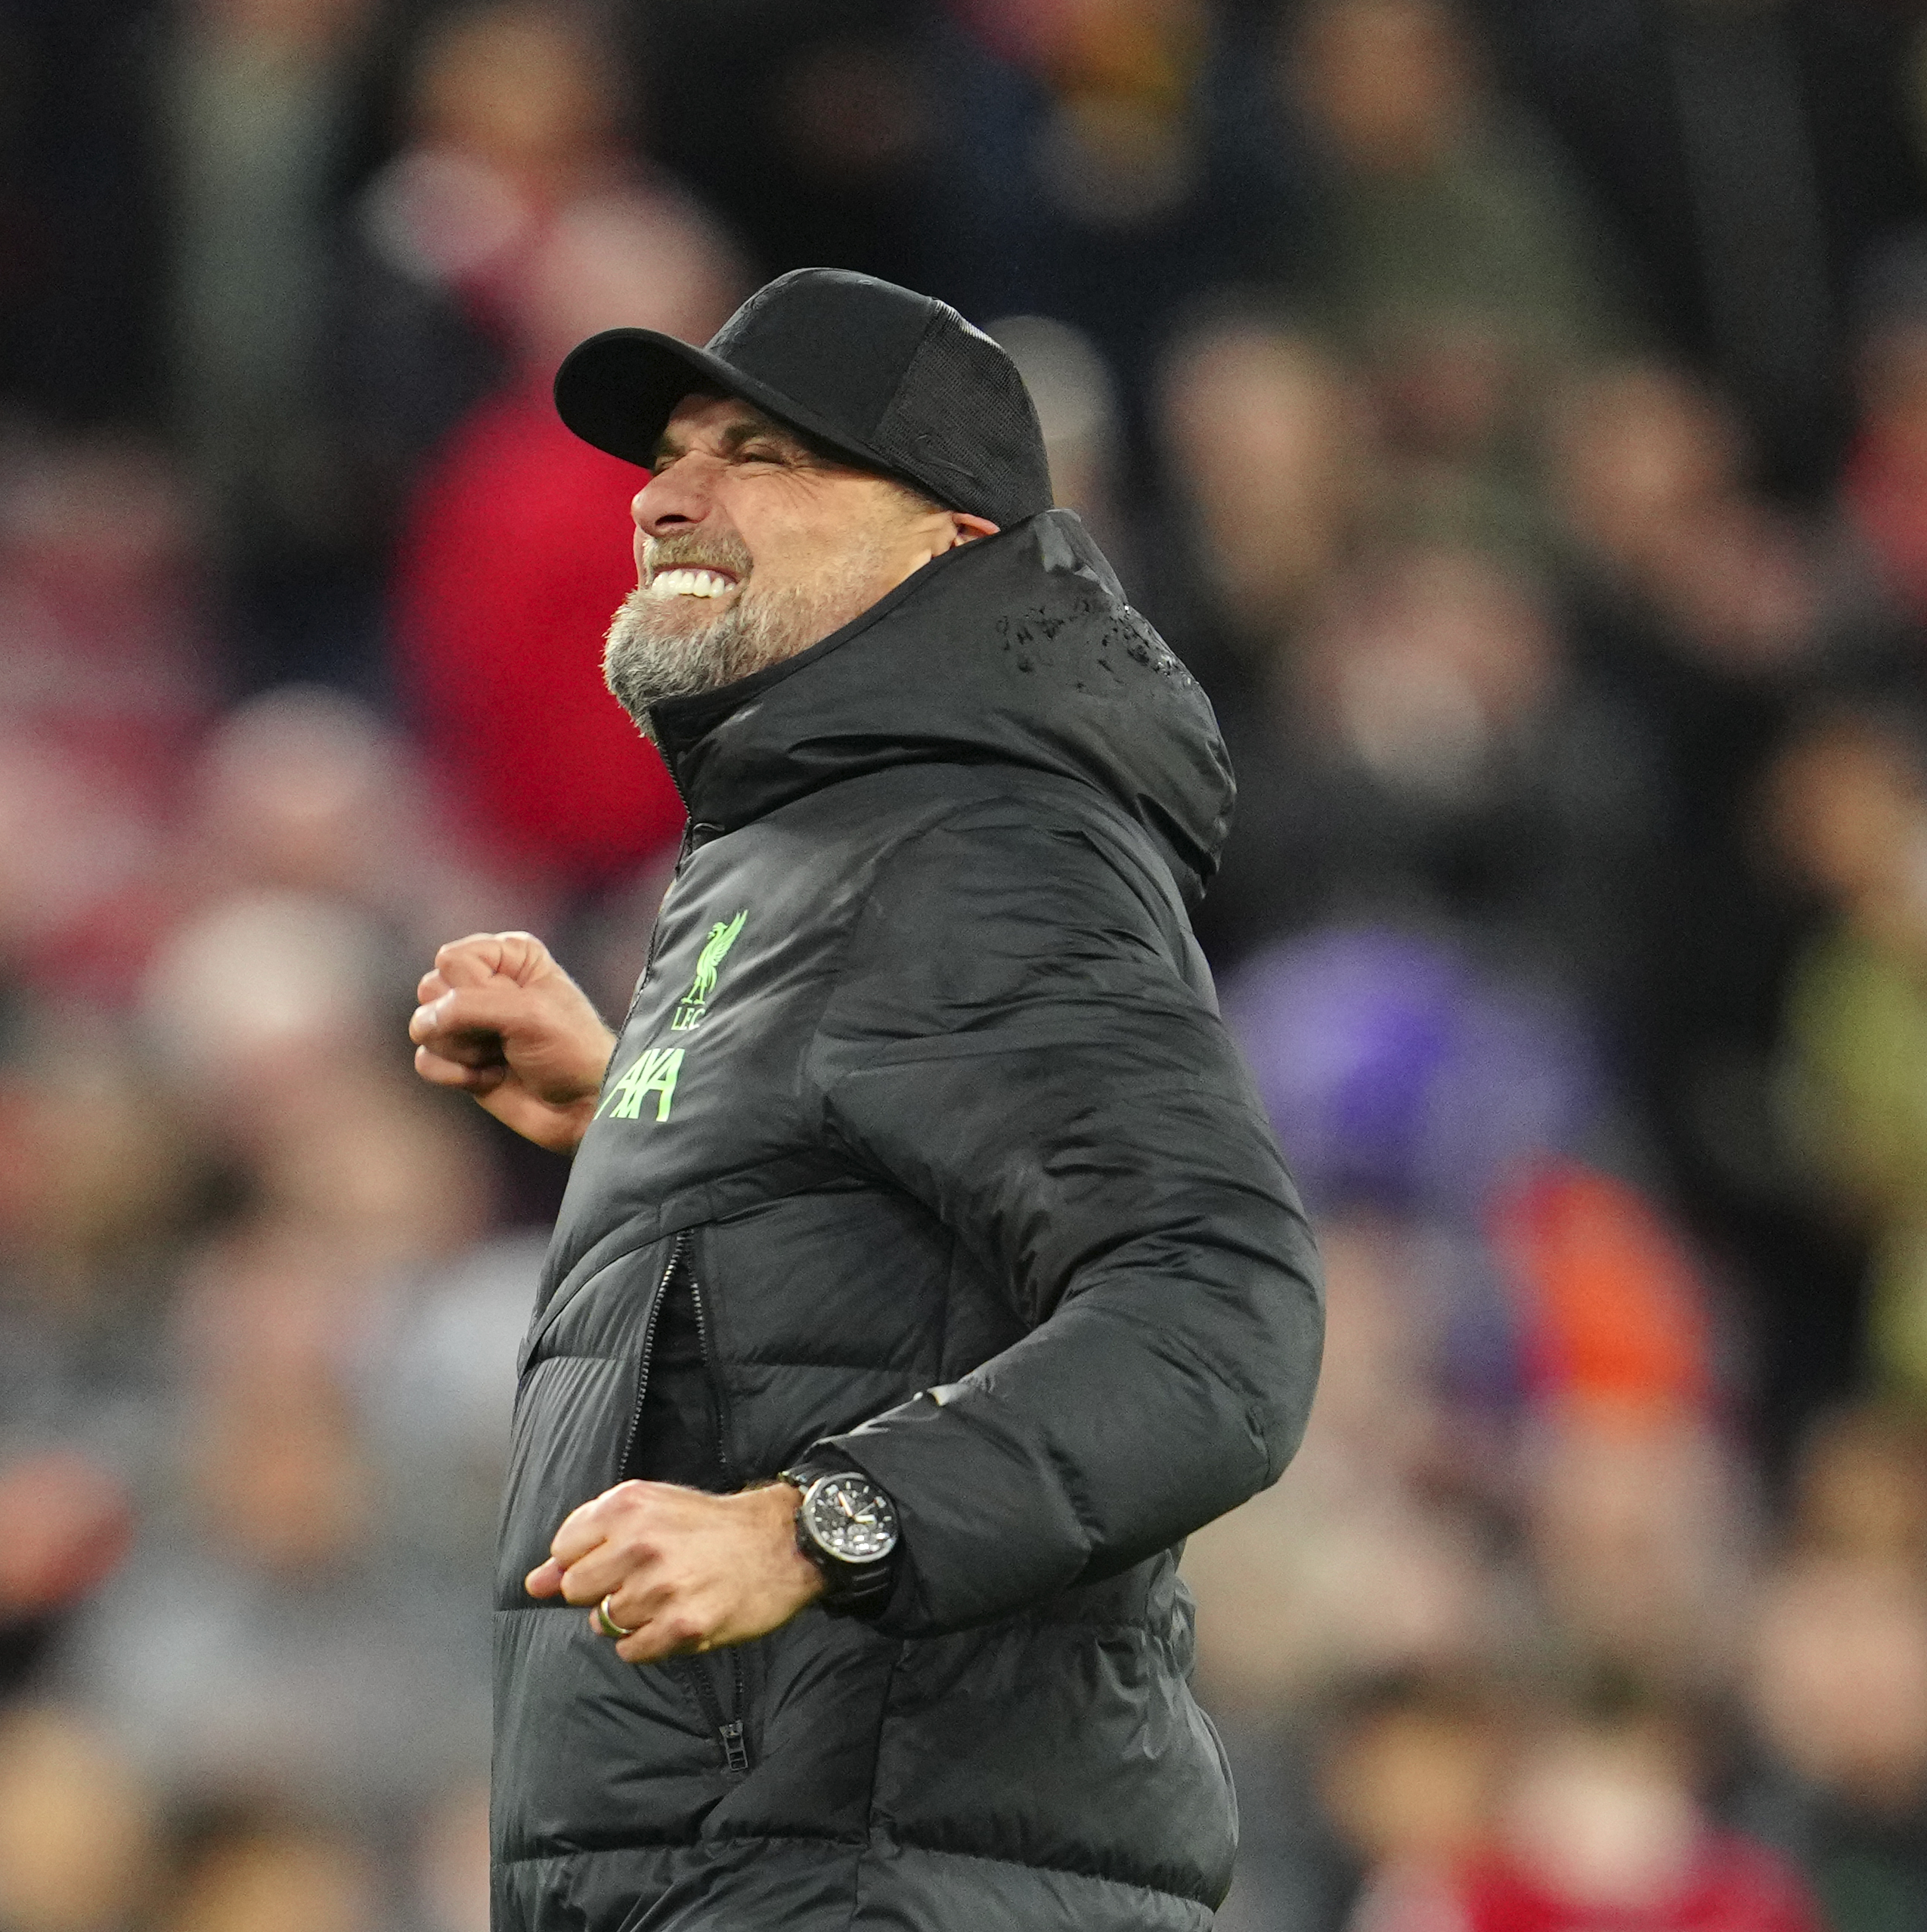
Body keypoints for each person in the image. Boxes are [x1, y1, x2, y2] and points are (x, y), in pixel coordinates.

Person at [407, 267, 1325, 1930]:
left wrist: (819, 1523)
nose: (666, 495)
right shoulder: (814, 834)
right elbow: (886, 1195)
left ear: (950, 543)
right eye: (671, 452)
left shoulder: (980, 840)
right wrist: (647, 1102)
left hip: (877, 1883)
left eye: (759, 452)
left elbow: (1220, 1311)